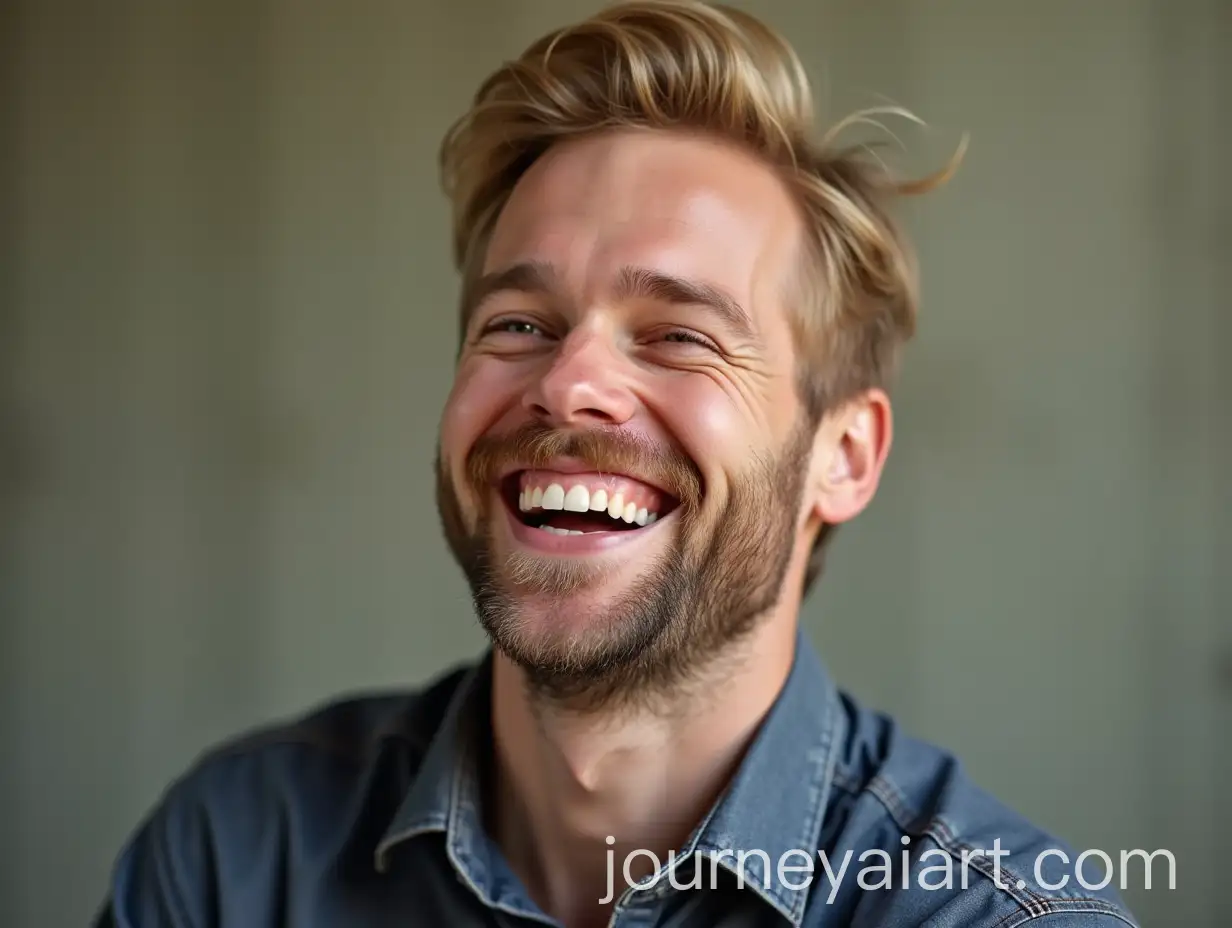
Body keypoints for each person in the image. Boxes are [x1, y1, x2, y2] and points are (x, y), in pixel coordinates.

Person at [96, 2, 1139, 926]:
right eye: (517, 323)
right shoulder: (238, 859)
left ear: (844, 456)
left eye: (679, 335)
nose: (566, 384)